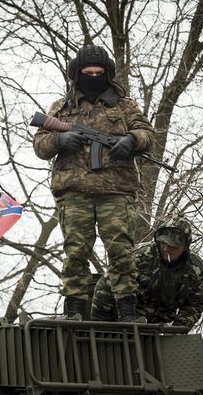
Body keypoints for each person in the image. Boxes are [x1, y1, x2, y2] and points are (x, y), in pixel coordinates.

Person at [32, 44, 155, 321]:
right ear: (77, 73)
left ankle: (127, 310)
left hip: (116, 190)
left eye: (99, 72)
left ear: (107, 74)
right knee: (76, 251)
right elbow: (40, 145)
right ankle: (74, 309)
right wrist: (59, 140)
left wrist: (132, 140)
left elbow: (147, 133)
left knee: (121, 251)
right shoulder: (61, 108)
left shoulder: (124, 105)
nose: (94, 76)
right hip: (74, 191)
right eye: (88, 72)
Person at [90, 215, 203, 332]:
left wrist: (177, 330)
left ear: (185, 246)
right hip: (121, 322)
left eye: (172, 246)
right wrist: (101, 328)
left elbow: (195, 304)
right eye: (163, 243)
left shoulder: (195, 269)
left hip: (155, 329)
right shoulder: (139, 256)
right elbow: (105, 287)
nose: (166, 249)